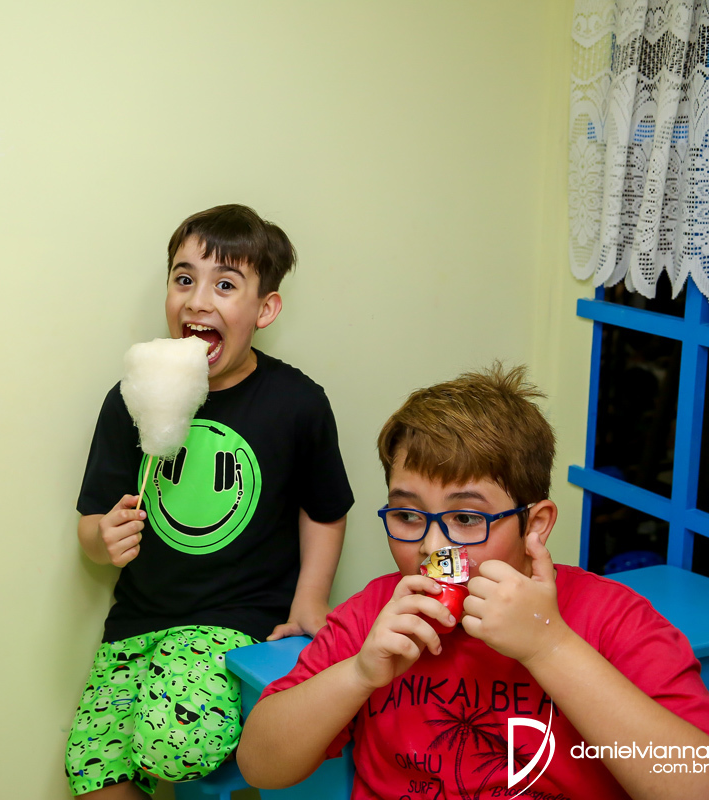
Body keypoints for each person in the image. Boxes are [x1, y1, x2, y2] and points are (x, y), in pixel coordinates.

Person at [238, 364, 709, 798]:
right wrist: (358, 675)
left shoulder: (611, 619)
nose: (432, 547)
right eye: (407, 515)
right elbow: (260, 767)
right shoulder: (374, 615)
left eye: (466, 518)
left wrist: (551, 647)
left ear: (535, 525)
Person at [67, 204, 354, 797]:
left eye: (225, 285)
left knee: (172, 746)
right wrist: (102, 539)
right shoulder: (128, 399)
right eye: (184, 278)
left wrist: (310, 597)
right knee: (93, 773)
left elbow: (325, 508)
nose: (198, 301)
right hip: (136, 621)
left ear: (265, 309)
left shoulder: (297, 403)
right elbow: (91, 525)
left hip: (237, 620)